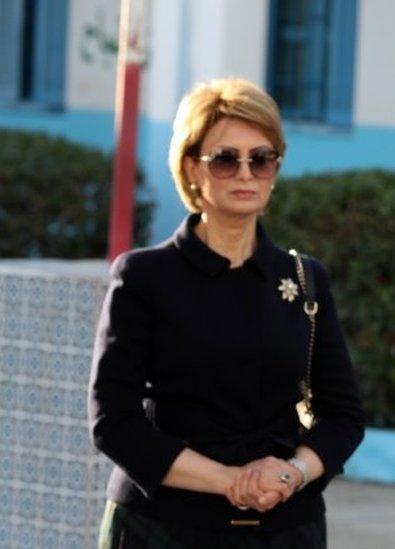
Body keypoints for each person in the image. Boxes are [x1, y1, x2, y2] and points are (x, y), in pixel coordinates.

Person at [88, 78, 365, 547]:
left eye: (261, 158)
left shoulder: (305, 279)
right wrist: (229, 481)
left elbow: (344, 416)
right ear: (192, 167)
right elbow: (113, 422)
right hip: (161, 529)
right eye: (224, 159)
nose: (244, 173)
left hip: (286, 530)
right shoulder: (143, 277)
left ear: (275, 168)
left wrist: (292, 474)